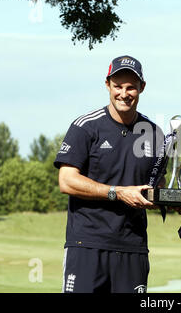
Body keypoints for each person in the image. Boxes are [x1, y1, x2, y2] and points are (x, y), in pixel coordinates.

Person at [54, 55, 163, 293]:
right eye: (118, 86)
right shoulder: (85, 126)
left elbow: (157, 187)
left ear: (141, 88)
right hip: (87, 245)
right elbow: (67, 181)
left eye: (131, 87)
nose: (124, 93)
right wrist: (117, 193)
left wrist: (178, 200)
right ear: (107, 85)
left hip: (133, 247)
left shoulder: (155, 134)